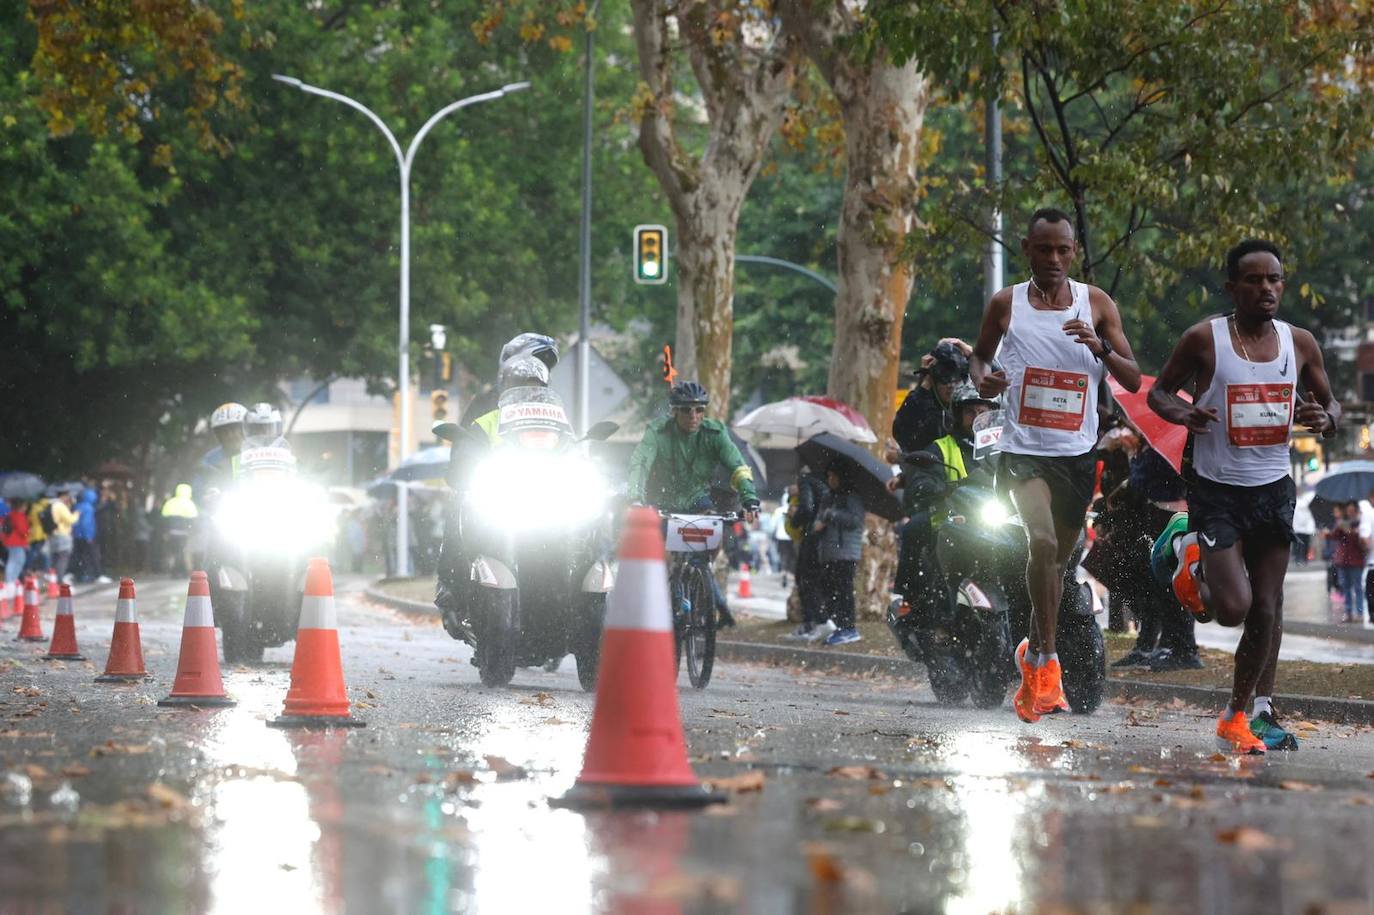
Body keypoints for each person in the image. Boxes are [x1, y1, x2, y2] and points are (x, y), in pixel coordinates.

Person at [1148, 238, 1338, 754]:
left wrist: (1326, 418)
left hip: (1273, 491)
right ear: (1233, 287)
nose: (1267, 289)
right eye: (1253, 280)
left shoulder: (1300, 343)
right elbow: (1158, 393)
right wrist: (1183, 412)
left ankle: (1245, 713)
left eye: (1274, 279)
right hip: (1217, 492)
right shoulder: (1204, 340)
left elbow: (1330, 403)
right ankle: (1188, 556)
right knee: (1233, 608)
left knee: (1268, 609)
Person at [970, 207, 1141, 724]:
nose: (1053, 258)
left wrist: (1102, 346)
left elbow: (1133, 380)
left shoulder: (1097, 304)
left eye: (1062, 249)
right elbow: (979, 359)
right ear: (1026, 249)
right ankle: (1045, 658)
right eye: (1043, 249)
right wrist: (985, 381)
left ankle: (1033, 652)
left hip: (1075, 454)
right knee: (1041, 543)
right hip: (1023, 450)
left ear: (1073, 251)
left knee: (1059, 562)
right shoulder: (1007, 304)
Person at [627, 380, 761, 629]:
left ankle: (701, 580)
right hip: (662, 500)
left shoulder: (715, 433)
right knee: (663, 558)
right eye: (687, 410)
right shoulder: (657, 431)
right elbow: (640, 464)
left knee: (713, 538)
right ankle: (660, 597)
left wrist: (750, 498)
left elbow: (738, 467)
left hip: (697, 498)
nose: (694, 416)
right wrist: (635, 497)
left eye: (699, 410)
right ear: (674, 411)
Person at [888, 383, 1000, 634]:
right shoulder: (942, 447)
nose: (978, 418)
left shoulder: (1004, 449)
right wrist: (936, 487)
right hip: (952, 520)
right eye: (971, 412)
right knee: (913, 528)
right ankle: (910, 600)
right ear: (957, 415)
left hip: (997, 521)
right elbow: (921, 480)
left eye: (984, 412)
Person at [813, 462, 866, 646]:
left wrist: (832, 515)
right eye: (829, 476)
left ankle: (849, 628)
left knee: (844, 591)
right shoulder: (828, 497)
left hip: (846, 551)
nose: (831, 480)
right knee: (830, 590)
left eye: (834, 476)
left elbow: (855, 521)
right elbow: (819, 520)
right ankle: (838, 626)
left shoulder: (852, 497)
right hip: (828, 551)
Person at [892, 338, 971, 453]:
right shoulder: (923, 404)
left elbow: (1002, 384)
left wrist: (975, 357)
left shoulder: (968, 407)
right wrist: (924, 382)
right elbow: (900, 429)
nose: (951, 385)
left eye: (957, 379)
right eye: (944, 379)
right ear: (934, 379)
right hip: (926, 466)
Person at [194, 402, 248, 502]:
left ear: (245, 429)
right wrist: (207, 495)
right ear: (218, 436)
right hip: (224, 512)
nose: (230, 435)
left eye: (234, 429)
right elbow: (198, 491)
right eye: (225, 432)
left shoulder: (261, 453)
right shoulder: (209, 460)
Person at [1331, 501, 1367, 623]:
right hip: (1343, 560)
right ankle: (1348, 612)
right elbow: (1334, 536)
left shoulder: (1361, 523)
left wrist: (1351, 532)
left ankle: (1360, 613)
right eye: (1348, 510)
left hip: (1356, 560)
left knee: (1357, 587)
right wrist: (1339, 527)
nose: (1350, 512)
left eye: (1352, 510)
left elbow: (1361, 542)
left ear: (1356, 510)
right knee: (1345, 586)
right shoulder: (1343, 523)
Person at [160, 484, 199, 575]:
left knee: (174, 552)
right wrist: (192, 531)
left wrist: (165, 532)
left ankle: (175, 570)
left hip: (172, 533)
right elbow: (194, 521)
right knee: (182, 552)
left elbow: (164, 520)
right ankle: (182, 570)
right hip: (184, 533)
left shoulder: (170, 503)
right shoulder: (190, 504)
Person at [71, 487, 103, 583]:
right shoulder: (88, 508)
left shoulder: (77, 506)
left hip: (77, 536)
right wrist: (89, 536)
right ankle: (97, 575)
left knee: (80, 556)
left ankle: (80, 575)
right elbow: (86, 523)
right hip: (86, 536)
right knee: (93, 555)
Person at [48, 489, 80, 583]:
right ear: (63, 496)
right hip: (62, 535)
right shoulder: (60, 506)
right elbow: (70, 520)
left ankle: (53, 579)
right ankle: (59, 580)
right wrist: (76, 514)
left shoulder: (52, 505)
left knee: (55, 559)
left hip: (53, 534)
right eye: (67, 496)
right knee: (63, 558)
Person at [3, 499, 30, 587]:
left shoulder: (10, 514)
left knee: (14, 560)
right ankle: (11, 581)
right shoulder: (19, 515)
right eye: (25, 505)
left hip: (10, 541)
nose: (26, 507)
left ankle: (11, 580)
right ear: (21, 506)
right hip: (17, 542)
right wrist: (28, 534)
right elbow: (23, 530)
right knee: (17, 561)